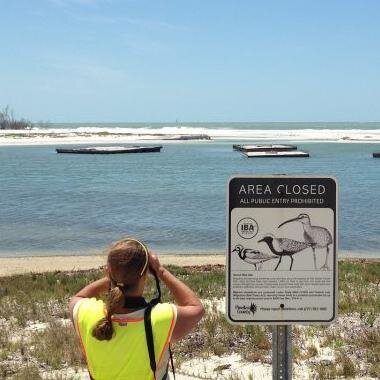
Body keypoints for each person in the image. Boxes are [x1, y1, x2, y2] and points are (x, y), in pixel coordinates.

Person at [69, 238, 205, 380]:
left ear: (108, 271)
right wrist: (160, 271)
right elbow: (197, 308)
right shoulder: (159, 318)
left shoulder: (86, 313)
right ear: (145, 274)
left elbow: (78, 297)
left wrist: (114, 276)